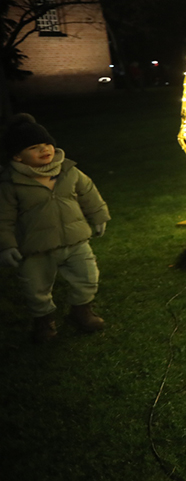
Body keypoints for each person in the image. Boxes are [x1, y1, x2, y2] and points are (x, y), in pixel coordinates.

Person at [0, 113, 111, 343]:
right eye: (33, 147)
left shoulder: (68, 171)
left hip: (75, 240)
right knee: (35, 288)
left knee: (87, 277)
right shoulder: (10, 183)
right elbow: (3, 218)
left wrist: (99, 216)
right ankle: (44, 321)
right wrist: (6, 245)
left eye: (46, 143)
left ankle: (81, 311)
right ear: (18, 156)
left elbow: (88, 193)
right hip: (35, 248)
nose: (44, 150)